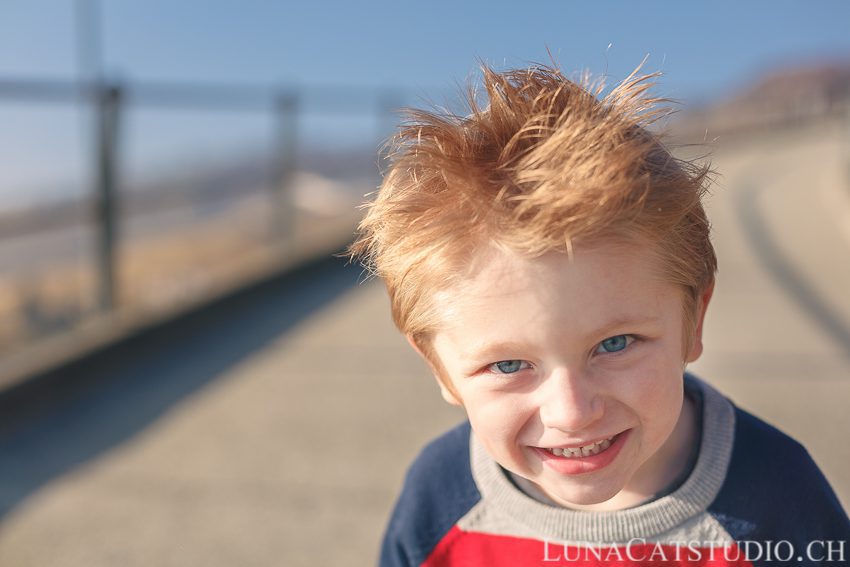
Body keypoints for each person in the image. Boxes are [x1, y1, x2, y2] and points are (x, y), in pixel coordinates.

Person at [349, 62, 850, 566]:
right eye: (507, 365)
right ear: (439, 368)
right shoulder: (439, 499)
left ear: (692, 323)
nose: (571, 412)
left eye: (615, 344)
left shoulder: (778, 501)